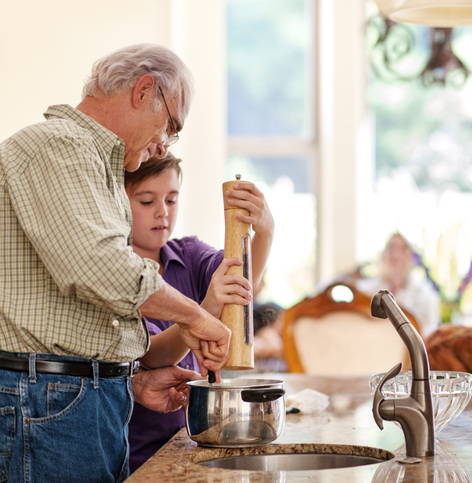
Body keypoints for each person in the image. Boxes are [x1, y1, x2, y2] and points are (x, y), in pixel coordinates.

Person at [0, 44, 232, 482]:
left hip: (72, 399)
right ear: (145, 91)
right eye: (172, 126)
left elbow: (84, 315)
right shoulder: (58, 145)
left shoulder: (91, 164)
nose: (165, 145)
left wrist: (127, 382)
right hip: (49, 402)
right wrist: (197, 318)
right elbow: (101, 268)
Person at [123, 153, 276, 471]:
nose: (162, 213)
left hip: (190, 440)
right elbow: (152, 356)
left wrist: (265, 233)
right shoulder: (120, 273)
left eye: (171, 200)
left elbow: (243, 283)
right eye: (147, 201)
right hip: (138, 451)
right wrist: (203, 312)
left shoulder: (188, 254)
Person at [356, 233, 441, 338]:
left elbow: (431, 333)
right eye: (391, 248)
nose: (395, 255)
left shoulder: (426, 296)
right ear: (383, 255)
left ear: (410, 257)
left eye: (402, 249)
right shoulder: (363, 292)